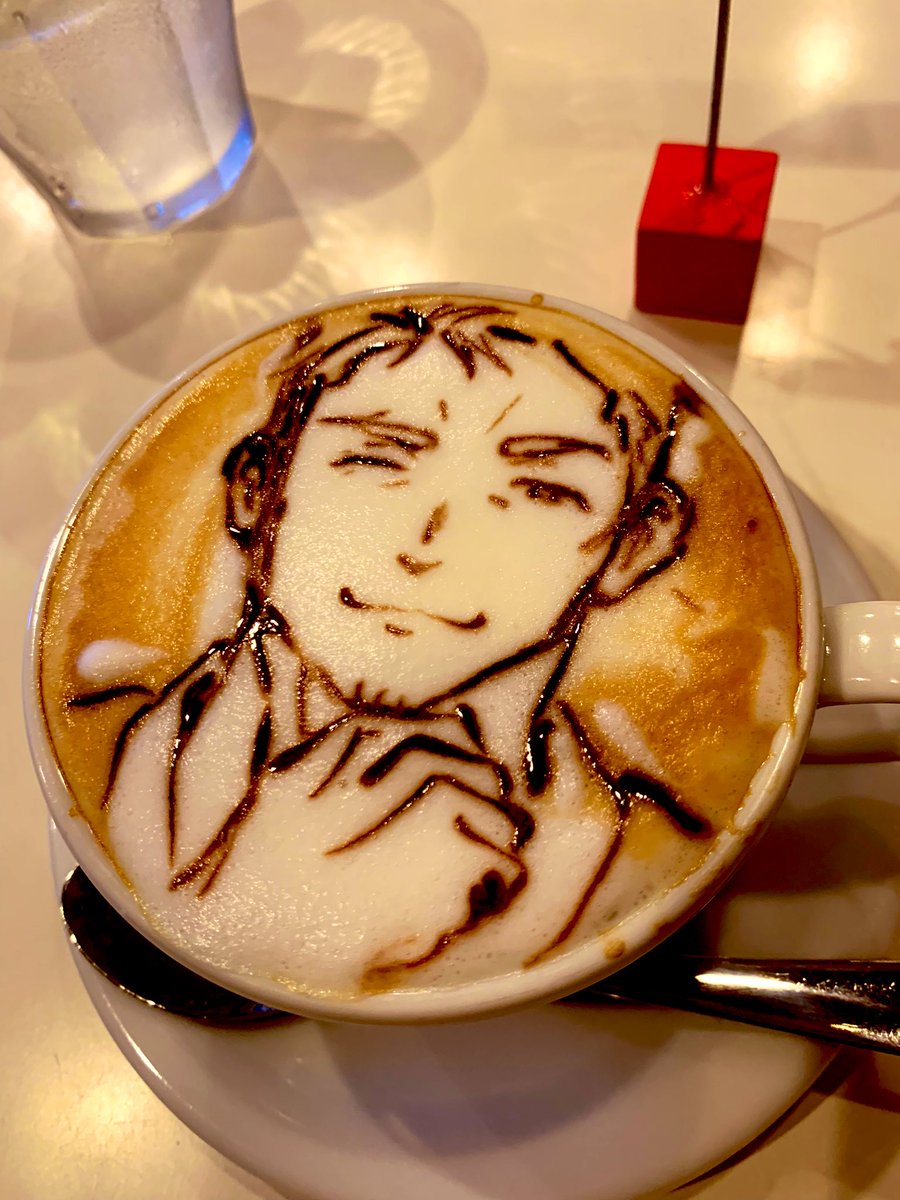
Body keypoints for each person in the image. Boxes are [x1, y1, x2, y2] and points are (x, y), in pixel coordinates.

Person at [74, 300, 712, 989]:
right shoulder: (115, 750)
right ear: (257, 489)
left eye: (540, 490)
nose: (429, 541)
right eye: (375, 459)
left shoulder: (639, 845)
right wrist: (247, 907)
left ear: (635, 545)